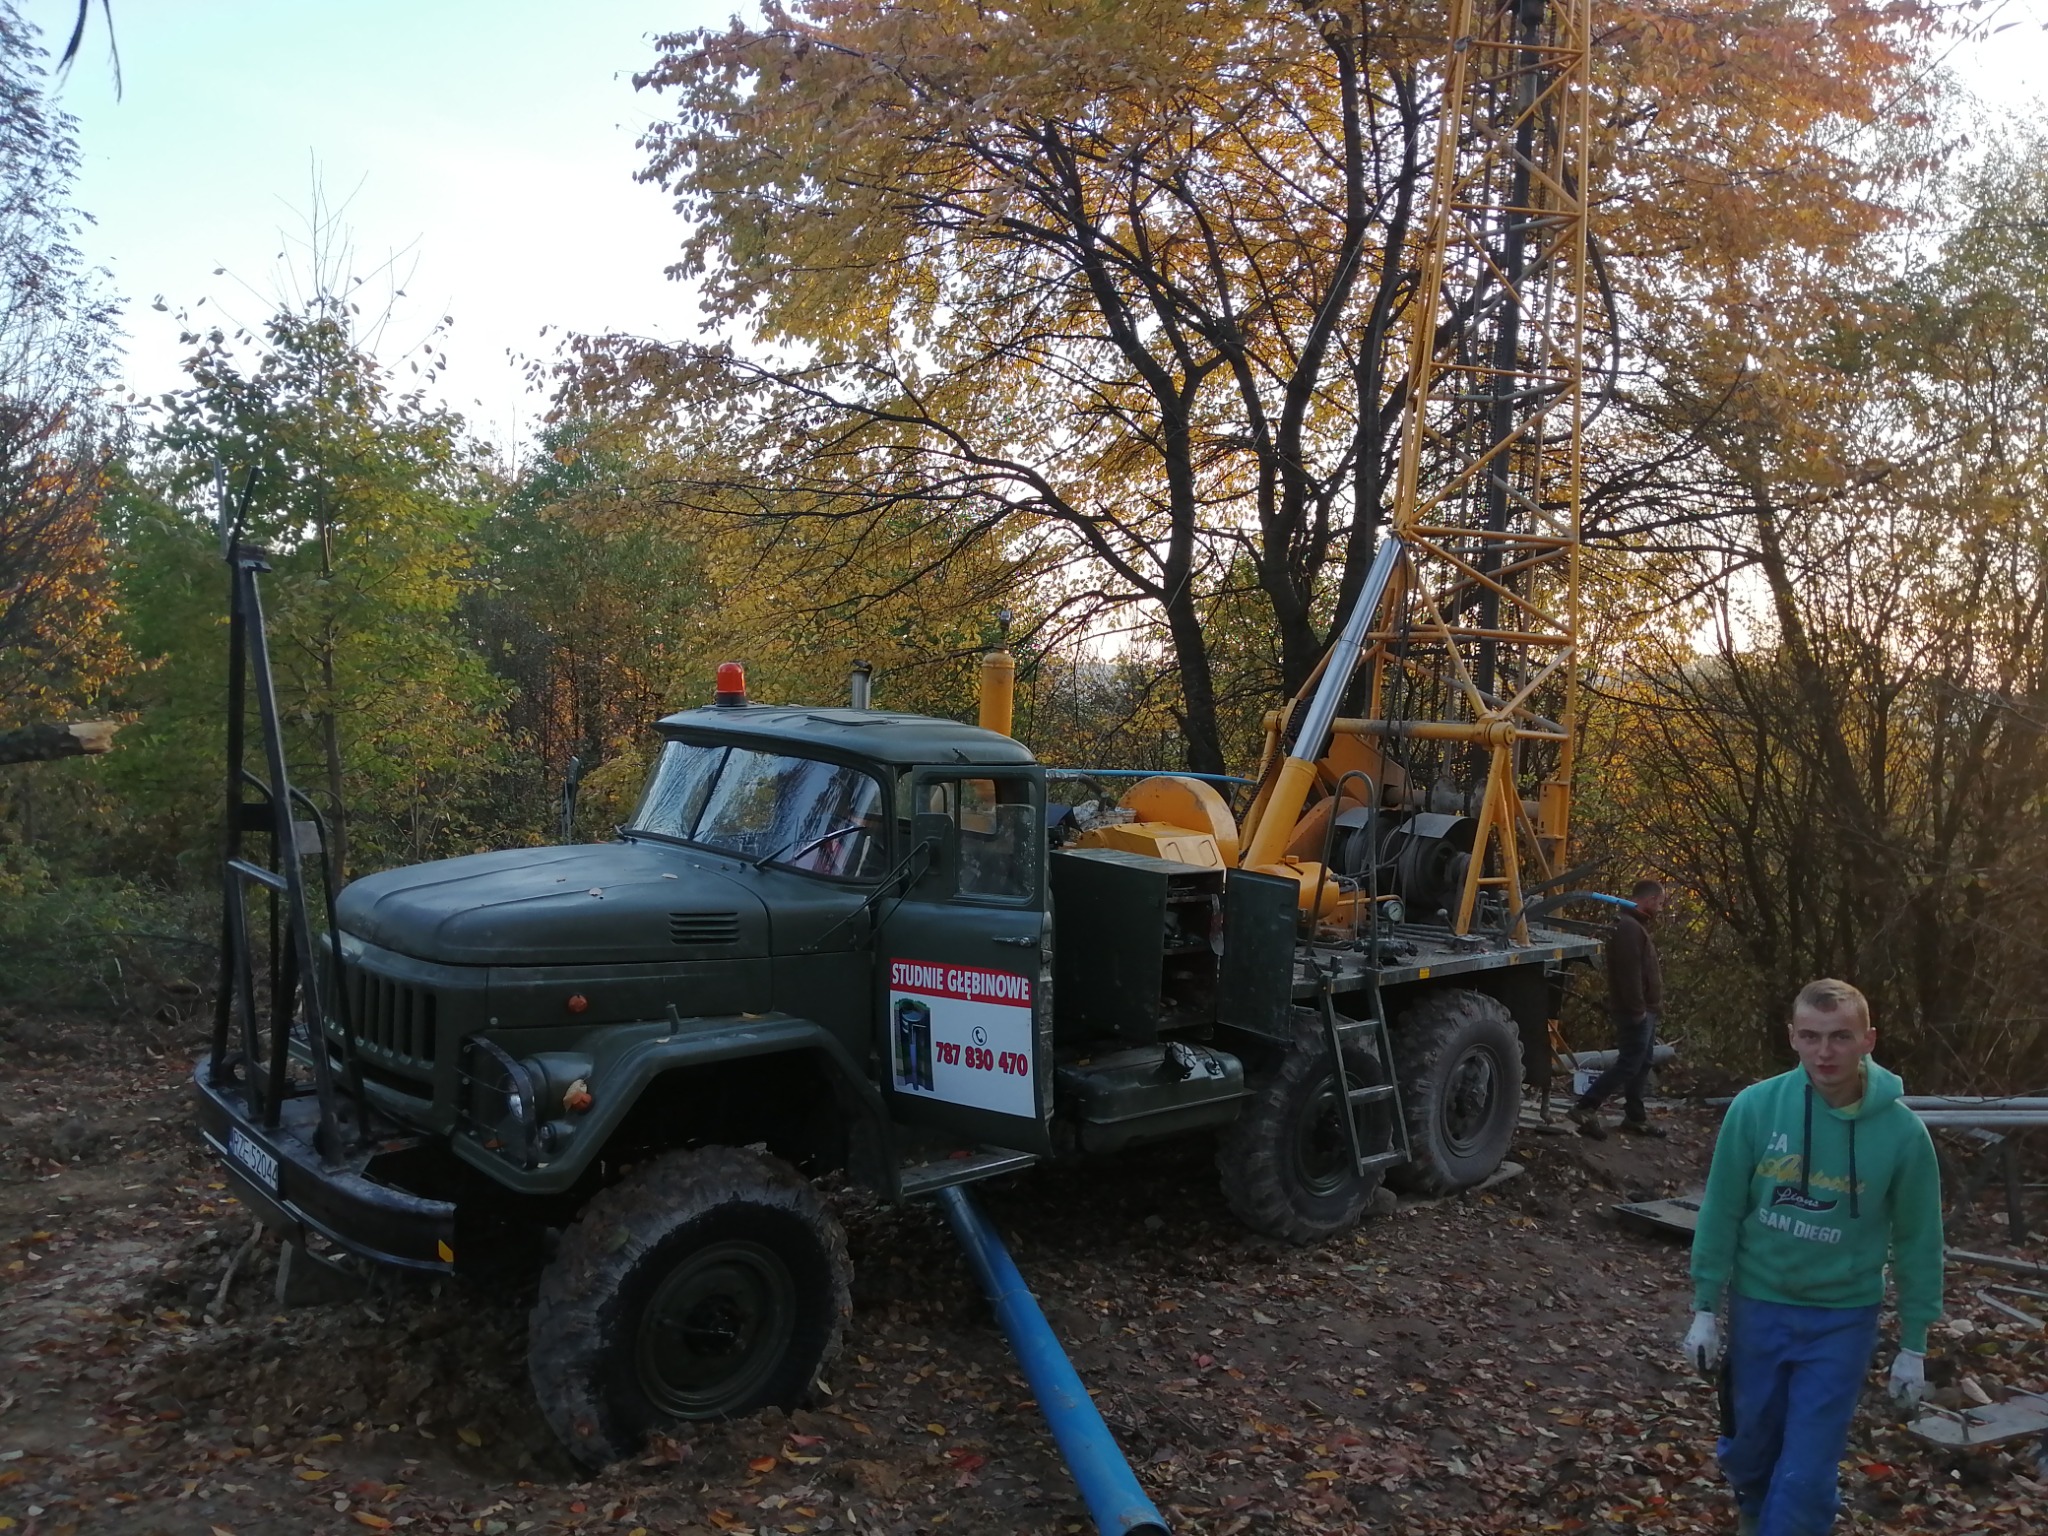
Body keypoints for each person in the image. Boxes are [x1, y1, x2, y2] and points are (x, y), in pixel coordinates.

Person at [1683, 978, 1943, 1536]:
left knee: (1806, 1473)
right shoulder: (1755, 1109)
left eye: (1841, 1037)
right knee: (1750, 1451)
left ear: (1868, 1039)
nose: (1825, 1053)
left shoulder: (1903, 1135)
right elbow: (1722, 1208)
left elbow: (1920, 1240)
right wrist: (1705, 1307)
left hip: (1842, 1319)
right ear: (1793, 1038)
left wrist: (1915, 1344)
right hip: (1760, 1305)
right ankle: (1754, 1514)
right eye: (1811, 1037)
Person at [1571, 878, 1667, 1139]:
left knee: (1642, 1062)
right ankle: (1585, 1107)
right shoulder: (1628, 928)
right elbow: (1629, 974)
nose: (1660, 909)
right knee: (1629, 1063)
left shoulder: (1634, 926)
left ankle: (1635, 1117)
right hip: (1636, 1011)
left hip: (1645, 1009)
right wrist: (1637, 1010)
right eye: (1659, 903)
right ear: (1648, 900)